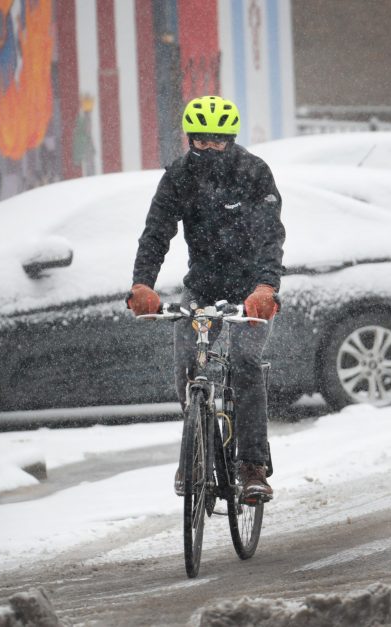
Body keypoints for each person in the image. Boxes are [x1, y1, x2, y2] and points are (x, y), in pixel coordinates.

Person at [126, 95, 285, 503]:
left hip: (251, 290)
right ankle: (197, 453)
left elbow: (271, 235)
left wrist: (266, 287)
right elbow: (156, 232)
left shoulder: (253, 172)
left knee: (246, 362)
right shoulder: (179, 176)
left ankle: (252, 466)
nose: (210, 147)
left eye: (218, 140)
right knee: (187, 364)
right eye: (202, 140)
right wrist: (142, 283)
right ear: (190, 139)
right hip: (203, 286)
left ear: (230, 139)